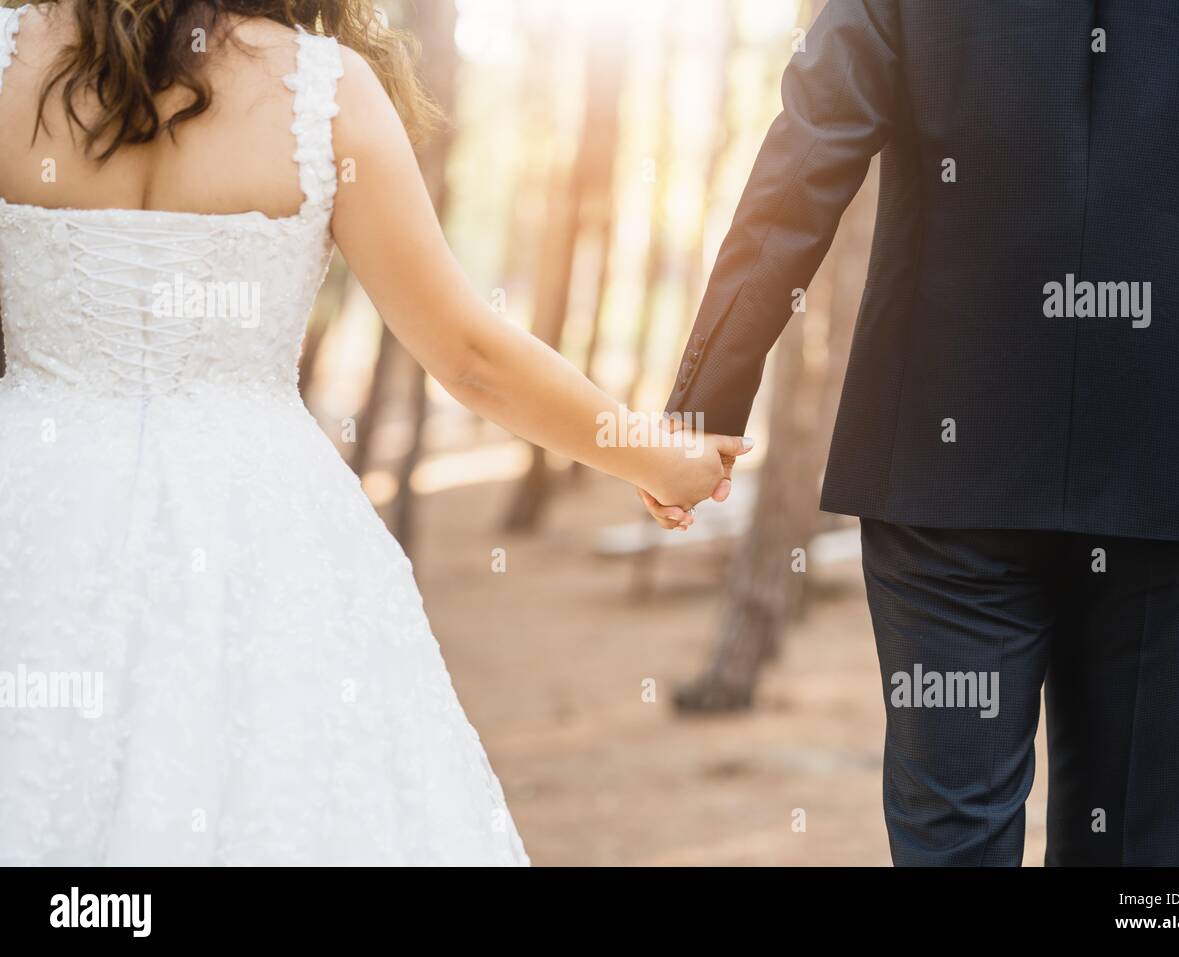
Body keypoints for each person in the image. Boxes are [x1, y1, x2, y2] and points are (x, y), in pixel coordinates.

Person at [0, 0, 746, 865]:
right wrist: (662, 457)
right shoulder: (322, 90)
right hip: (261, 521)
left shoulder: (9, 57)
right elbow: (469, 355)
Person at [650, 0, 1179, 865]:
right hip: (1165, 462)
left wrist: (701, 411)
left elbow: (805, 157)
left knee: (951, 840)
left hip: (943, 467)